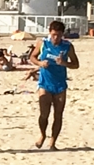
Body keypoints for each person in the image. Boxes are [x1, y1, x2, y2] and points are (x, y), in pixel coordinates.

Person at [30, 21, 80, 150]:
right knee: (44, 114)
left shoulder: (67, 46)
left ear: (62, 34)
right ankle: (42, 135)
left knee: (58, 115)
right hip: (45, 83)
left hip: (60, 85)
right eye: (53, 35)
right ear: (49, 32)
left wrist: (64, 63)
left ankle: (52, 142)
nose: (55, 38)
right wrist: (40, 64)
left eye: (58, 35)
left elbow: (76, 64)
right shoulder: (43, 43)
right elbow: (32, 57)